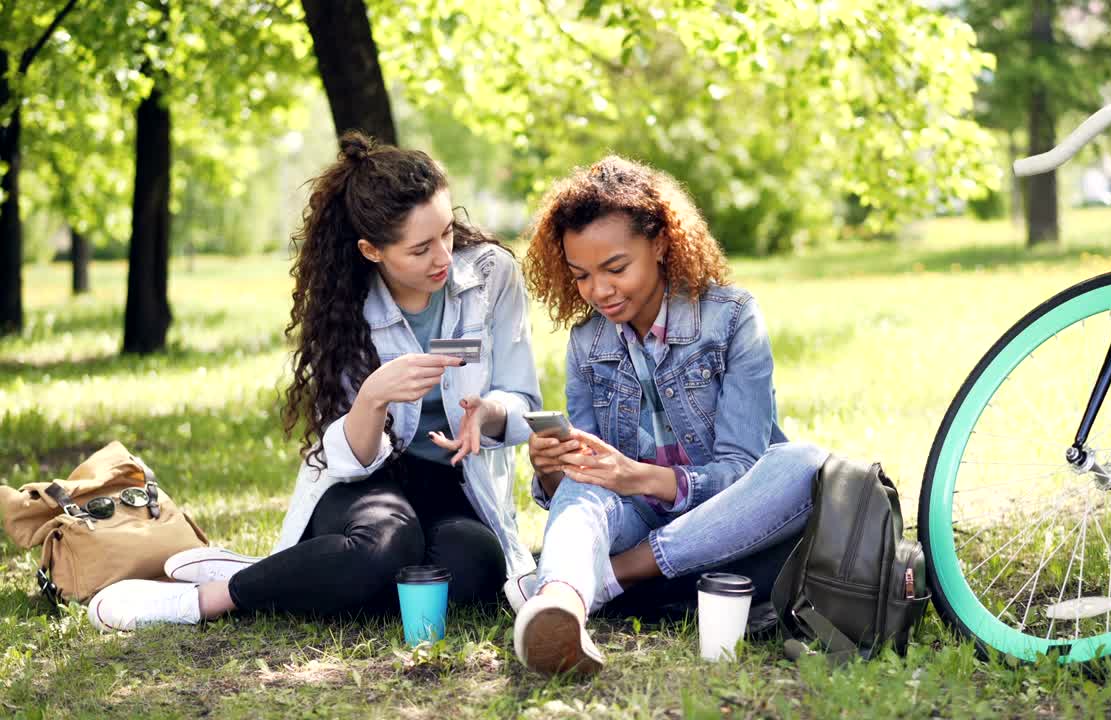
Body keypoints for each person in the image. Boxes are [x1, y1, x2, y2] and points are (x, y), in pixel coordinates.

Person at [89, 133, 541, 631]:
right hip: (369, 481)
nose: (442, 256)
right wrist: (372, 398)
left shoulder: (492, 276)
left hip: (458, 483)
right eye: (419, 249)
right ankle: (204, 601)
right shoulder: (347, 302)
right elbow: (349, 458)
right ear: (372, 250)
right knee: (384, 547)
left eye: (447, 233)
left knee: (476, 566)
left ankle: (287, 571)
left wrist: (491, 412)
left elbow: (523, 399)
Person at [512, 155, 828, 674]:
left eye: (616, 268)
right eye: (581, 276)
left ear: (660, 242)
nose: (599, 291)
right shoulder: (587, 342)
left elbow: (741, 472)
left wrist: (640, 478)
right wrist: (551, 466)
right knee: (583, 485)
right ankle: (561, 607)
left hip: (729, 520)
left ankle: (606, 580)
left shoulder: (731, 318)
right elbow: (586, 482)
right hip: (637, 519)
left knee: (805, 465)